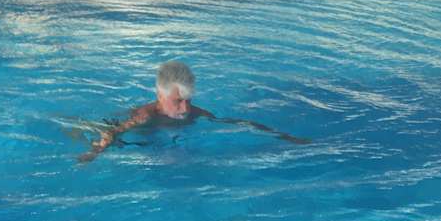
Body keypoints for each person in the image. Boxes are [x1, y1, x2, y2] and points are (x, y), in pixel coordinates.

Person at [76, 60, 309, 163]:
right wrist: (93, 153)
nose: (185, 108)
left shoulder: (196, 112)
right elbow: (113, 132)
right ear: (159, 95)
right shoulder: (145, 116)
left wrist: (284, 137)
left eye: (189, 100)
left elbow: (239, 123)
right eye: (177, 101)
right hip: (138, 137)